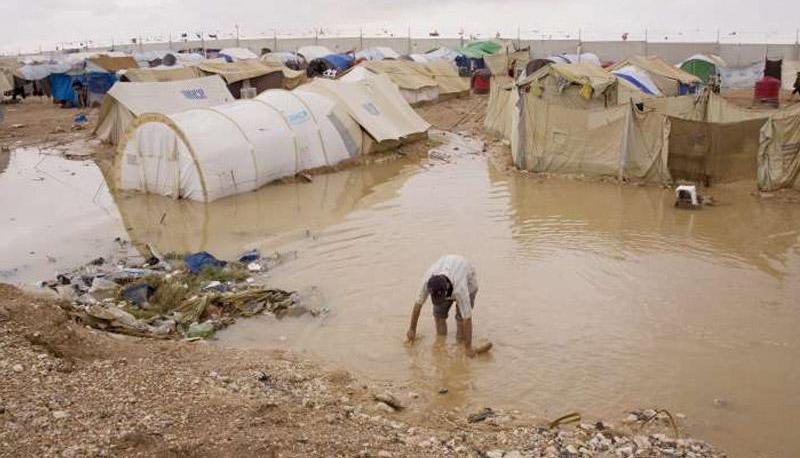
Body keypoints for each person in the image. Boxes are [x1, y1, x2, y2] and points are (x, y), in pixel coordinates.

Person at [406, 255, 491, 357]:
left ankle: (460, 346)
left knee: (461, 320)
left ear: (446, 288)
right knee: (438, 315)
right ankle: (441, 344)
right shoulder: (427, 282)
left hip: (468, 283)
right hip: (447, 275)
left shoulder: (461, 288)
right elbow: (418, 305)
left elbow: (467, 318)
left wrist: (468, 348)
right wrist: (412, 329)